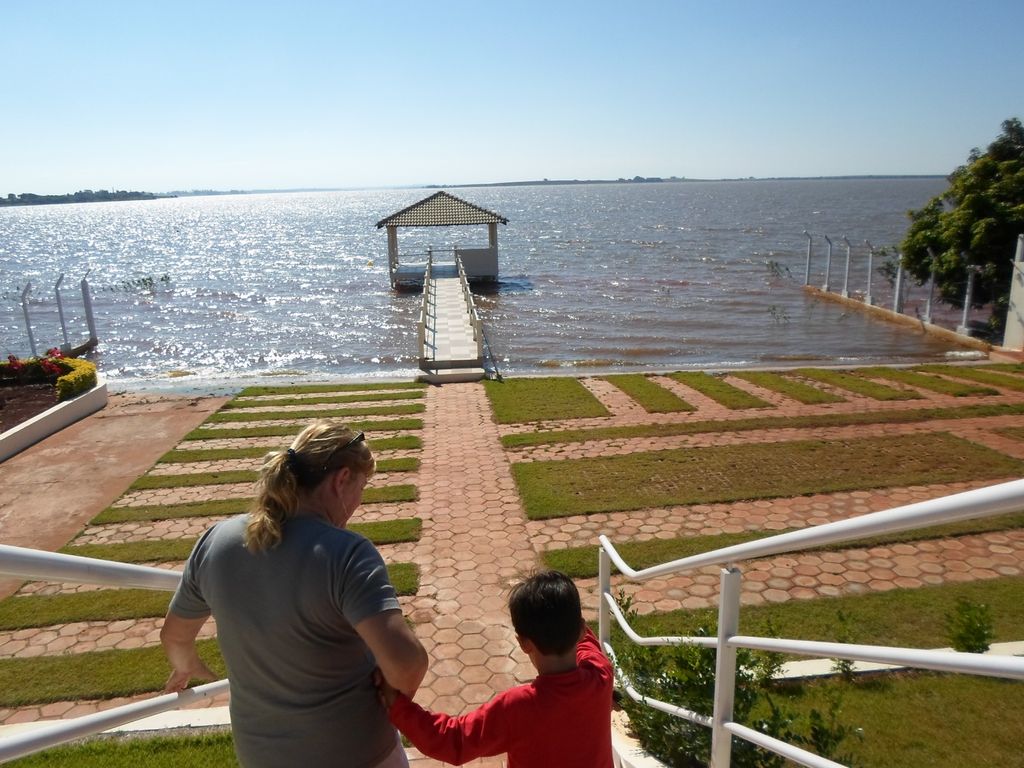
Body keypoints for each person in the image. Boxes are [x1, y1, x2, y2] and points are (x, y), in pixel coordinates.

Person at [161, 420, 428, 768]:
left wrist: (186, 665)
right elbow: (407, 662)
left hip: (260, 756)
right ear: (342, 479)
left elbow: (174, 636)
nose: (360, 499)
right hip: (356, 751)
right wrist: (393, 696)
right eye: (363, 485)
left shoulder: (217, 541)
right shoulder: (346, 552)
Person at [381, 570, 614, 767]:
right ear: (581, 629)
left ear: (524, 644)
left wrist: (399, 706)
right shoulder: (601, 674)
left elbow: (454, 742)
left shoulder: (518, 706)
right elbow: (586, 644)